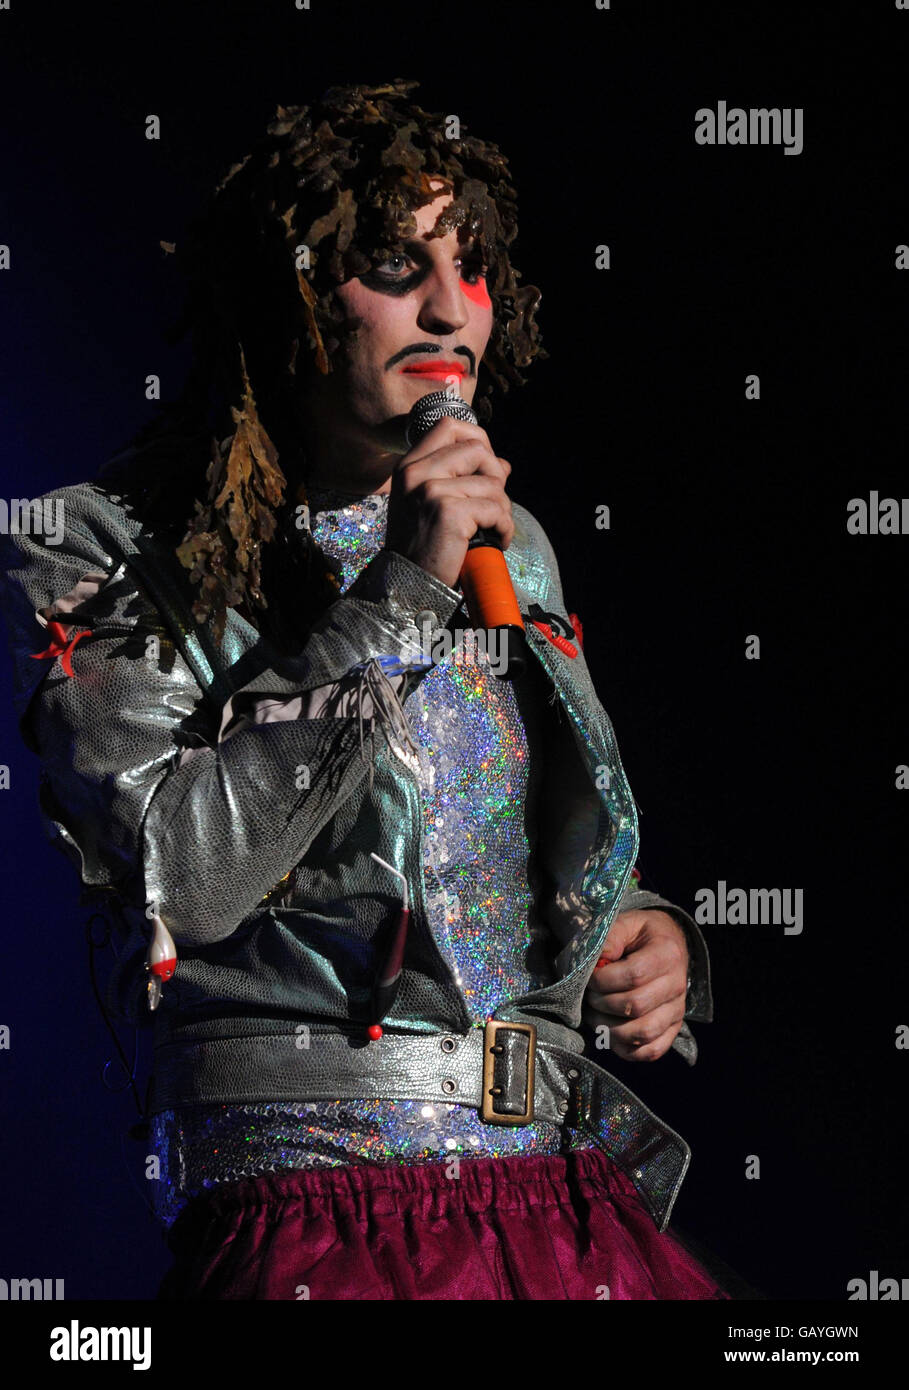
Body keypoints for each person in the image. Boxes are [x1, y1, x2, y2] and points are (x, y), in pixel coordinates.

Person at [0, 79, 729, 1300]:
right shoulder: (103, 544)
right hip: (319, 1220)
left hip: (549, 1210)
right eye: (396, 264)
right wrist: (397, 595)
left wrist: (634, 933)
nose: (452, 308)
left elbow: (492, 839)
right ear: (290, 287)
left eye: (475, 264)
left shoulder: (518, 539)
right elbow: (186, 872)